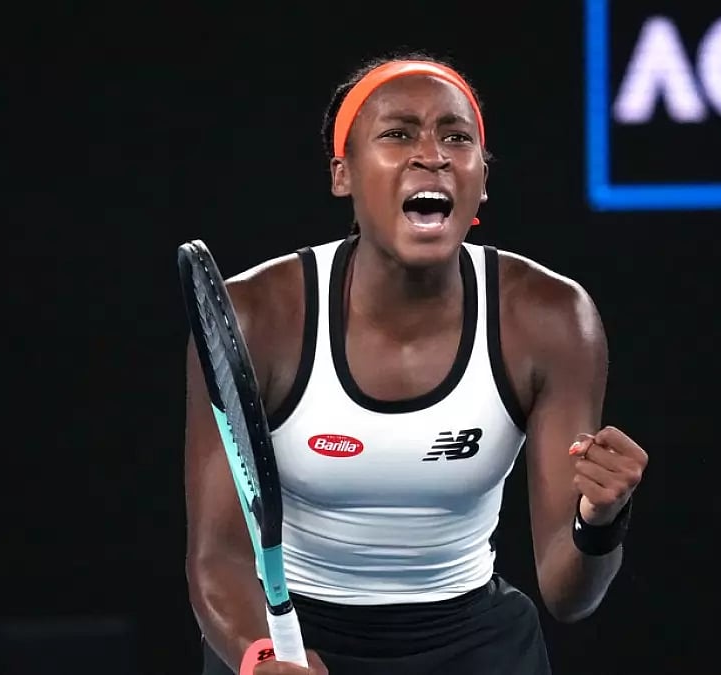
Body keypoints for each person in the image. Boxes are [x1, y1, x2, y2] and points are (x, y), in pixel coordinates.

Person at [184, 51, 650, 675]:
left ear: (481, 179)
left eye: (456, 138)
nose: (430, 154)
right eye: (398, 134)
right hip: (283, 634)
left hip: (472, 641)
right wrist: (260, 656)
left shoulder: (550, 319)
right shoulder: (256, 317)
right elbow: (217, 559)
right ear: (342, 174)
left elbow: (569, 595)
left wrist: (601, 522)